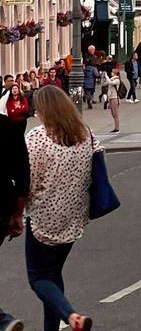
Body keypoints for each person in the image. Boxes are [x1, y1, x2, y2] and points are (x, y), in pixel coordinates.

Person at [25, 86, 97, 331]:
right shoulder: (84, 134)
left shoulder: (38, 137)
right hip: (73, 217)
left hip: (44, 219)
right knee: (53, 275)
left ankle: (71, 316)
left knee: (38, 278)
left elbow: (28, 181)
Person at [0, 86, 30, 331]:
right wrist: (18, 214)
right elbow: (23, 175)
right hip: (2, 206)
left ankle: (2, 320)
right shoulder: (9, 128)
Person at [102, 65, 122, 133]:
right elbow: (104, 84)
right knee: (113, 114)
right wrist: (103, 78)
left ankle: (117, 128)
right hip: (110, 98)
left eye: (112, 72)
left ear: (115, 73)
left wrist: (106, 76)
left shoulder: (117, 80)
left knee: (115, 114)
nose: (111, 73)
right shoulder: (111, 79)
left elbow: (110, 83)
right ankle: (115, 127)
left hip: (114, 98)